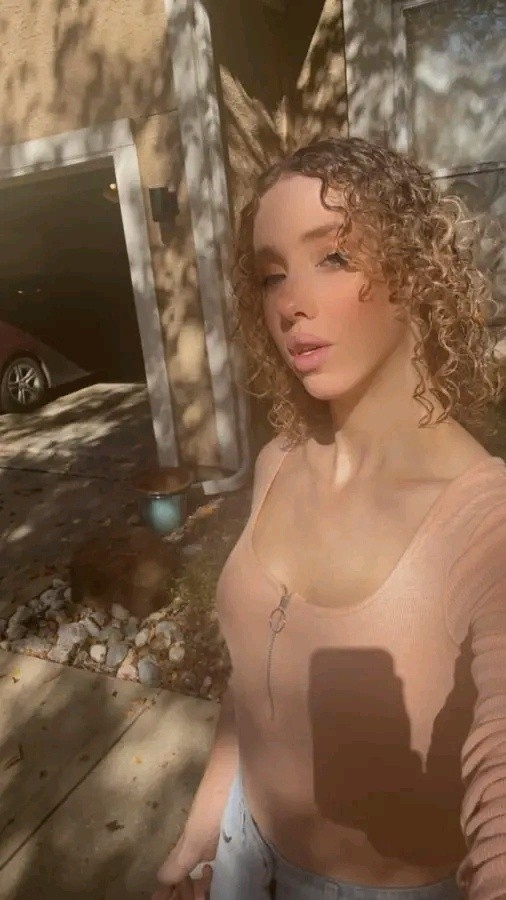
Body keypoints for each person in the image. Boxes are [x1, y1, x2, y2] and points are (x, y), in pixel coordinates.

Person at [153, 137, 506, 900]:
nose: (290, 302)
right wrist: (199, 836)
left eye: (334, 256)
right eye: (272, 274)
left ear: (416, 269)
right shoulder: (278, 461)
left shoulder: (487, 526)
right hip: (242, 851)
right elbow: (251, 686)